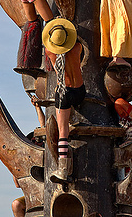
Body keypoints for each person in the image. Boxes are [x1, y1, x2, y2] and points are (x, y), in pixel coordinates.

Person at [42, 19, 85, 183]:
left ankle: (63, 169)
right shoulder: (77, 47)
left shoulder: (49, 52)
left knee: (63, 132)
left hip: (64, 92)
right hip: (80, 90)